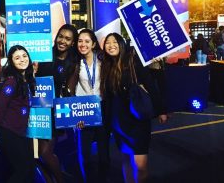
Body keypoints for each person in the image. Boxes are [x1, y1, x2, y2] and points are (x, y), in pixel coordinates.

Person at [100, 33, 167, 183]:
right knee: (126, 159)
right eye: (107, 43)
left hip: (138, 120)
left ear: (122, 44)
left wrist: (161, 109)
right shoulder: (106, 65)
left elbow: (150, 84)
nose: (111, 45)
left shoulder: (133, 60)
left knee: (141, 165)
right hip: (118, 121)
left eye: (114, 42)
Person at [35, 24, 80, 183]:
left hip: (55, 112)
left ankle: (60, 180)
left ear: (73, 42)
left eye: (68, 39)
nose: (62, 41)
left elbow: (70, 91)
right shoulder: (44, 54)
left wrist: (73, 115)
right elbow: (32, 79)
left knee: (45, 153)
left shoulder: (73, 63)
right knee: (38, 154)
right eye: (61, 36)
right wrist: (33, 72)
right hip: (38, 110)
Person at [0, 45, 36, 183]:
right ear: (12, 62)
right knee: (23, 170)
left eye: (24, 56)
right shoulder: (11, 82)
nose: (22, 60)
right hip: (8, 132)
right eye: (17, 58)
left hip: (20, 133)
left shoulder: (26, 79)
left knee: (29, 169)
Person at [69, 28, 110, 182]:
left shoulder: (103, 60)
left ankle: (103, 179)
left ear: (93, 44)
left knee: (104, 155)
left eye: (87, 41)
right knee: (84, 155)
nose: (83, 44)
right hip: (83, 111)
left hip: (102, 109)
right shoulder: (74, 62)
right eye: (80, 41)